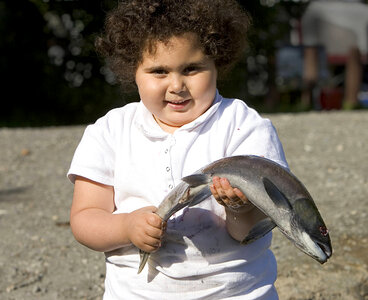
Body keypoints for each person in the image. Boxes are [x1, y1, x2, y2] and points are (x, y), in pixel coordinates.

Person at [68, 0, 288, 299]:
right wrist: (126, 226)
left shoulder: (245, 127)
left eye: (192, 68)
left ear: (217, 62)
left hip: (237, 293)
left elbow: (251, 230)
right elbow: (85, 218)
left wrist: (240, 207)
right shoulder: (110, 131)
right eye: (159, 71)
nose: (176, 85)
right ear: (133, 70)